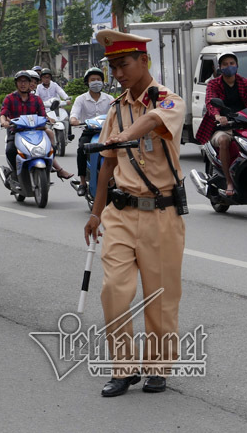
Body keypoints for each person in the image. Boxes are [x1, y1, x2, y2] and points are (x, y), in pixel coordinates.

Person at [84, 30, 187, 397]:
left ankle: (158, 366)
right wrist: (96, 214)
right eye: (112, 67)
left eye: (123, 64)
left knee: (160, 296)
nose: (117, 73)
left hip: (161, 212)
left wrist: (124, 132)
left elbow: (154, 120)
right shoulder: (115, 108)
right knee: (114, 290)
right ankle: (124, 368)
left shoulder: (169, 100)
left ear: (144, 61)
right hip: (121, 213)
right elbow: (107, 168)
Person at [195, 51, 247, 196]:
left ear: (237, 65)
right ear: (220, 68)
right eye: (225, 64)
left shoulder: (244, 82)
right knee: (223, 140)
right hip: (223, 126)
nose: (229, 66)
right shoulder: (214, 84)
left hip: (245, 124)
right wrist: (217, 115)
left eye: (232, 63)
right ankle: (229, 181)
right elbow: (210, 102)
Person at [0, 71, 73, 180]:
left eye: (26, 81)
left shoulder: (36, 99)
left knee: (47, 149)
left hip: (36, 131)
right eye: (20, 81)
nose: (23, 84)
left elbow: (43, 115)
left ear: (30, 84)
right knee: (10, 150)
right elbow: (3, 113)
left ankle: (58, 169)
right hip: (16, 131)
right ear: (16, 83)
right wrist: (3, 121)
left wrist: (48, 120)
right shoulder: (10, 98)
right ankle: (15, 173)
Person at [70, 67, 114, 196]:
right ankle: (83, 182)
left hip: (107, 132)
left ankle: (114, 180)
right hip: (89, 132)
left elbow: (116, 113)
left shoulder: (109, 98)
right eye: (92, 80)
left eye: (98, 80)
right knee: (81, 149)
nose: (96, 82)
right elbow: (74, 114)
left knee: (119, 149)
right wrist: (74, 119)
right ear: (87, 82)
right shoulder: (81, 99)